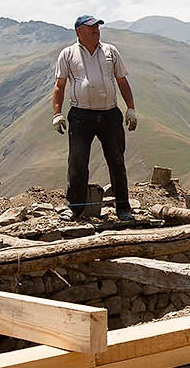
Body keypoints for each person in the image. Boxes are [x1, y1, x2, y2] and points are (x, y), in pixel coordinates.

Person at [51, 13, 138, 220]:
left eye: (97, 27)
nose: (96, 31)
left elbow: (122, 81)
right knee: (78, 161)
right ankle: (75, 207)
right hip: (81, 115)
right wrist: (57, 114)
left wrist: (131, 109)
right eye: (91, 28)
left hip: (110, 114)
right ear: (79, 32)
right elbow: (59, 85)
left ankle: (123, 208)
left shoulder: (110, 51)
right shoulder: (68, 54)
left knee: (116, 160)